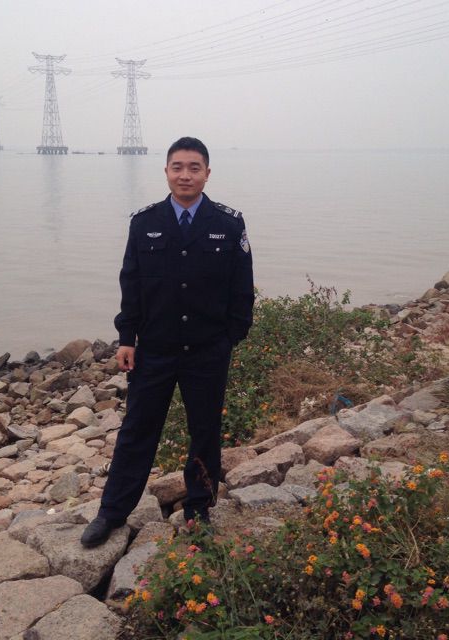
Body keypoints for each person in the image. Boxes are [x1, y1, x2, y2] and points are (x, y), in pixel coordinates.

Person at [81, 136, 254, 548]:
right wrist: (127, 337)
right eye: (177, 167)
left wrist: (230, 337)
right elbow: (131, 283)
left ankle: (199, 509)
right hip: (154, 350)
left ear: (207, 173)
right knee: (137, 430)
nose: (185, 175)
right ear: (166, 172)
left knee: (204, 431)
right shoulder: (145, 222)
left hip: (207, 351)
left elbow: (242, 288)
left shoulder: (228, 223)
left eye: (194, 168)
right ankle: (111, 513)